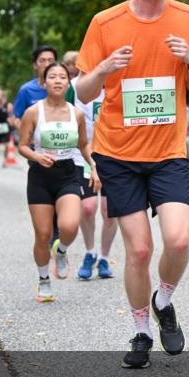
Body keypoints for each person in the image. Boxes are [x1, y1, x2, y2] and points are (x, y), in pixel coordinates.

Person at [75, 0, 189, 369]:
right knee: (137, 251)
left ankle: (163, 299)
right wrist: (102, 69)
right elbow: (81, 88)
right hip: (118, 154)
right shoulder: (105, 23)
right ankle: (139, 333)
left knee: (180, 238)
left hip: (168, 151)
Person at [18, 61, 100, 302]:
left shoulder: (76, 113)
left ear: (68, 82)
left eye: (62, 77)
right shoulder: (33, 112)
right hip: (40, 176)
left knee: (70, 225)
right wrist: (36, 156)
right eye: (51, 76)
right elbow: (22, 146)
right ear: (44, 83)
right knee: (43, 234)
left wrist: (94, 166)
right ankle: (44, 280)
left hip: (68, 172)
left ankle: (62, 250)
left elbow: (83, 144)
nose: (57, 80)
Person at [66, 50, 119, 280]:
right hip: (83, 154)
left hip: (114, 155)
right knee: (87, 208)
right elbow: (62, 114)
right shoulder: (75, 85)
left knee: (109, 212)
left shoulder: (117, 80)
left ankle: (104, 258)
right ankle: (89, 252)